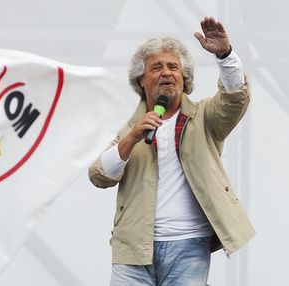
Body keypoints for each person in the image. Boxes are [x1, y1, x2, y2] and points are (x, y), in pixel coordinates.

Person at [88, 16, 255, 286]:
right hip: (132, 247)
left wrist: (225, 55)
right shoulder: (125, 124)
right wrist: (131, 137)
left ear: (183, 77)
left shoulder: (204, 117)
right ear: (141, 80)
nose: (166, 72)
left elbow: (235, 97)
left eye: (173, 67)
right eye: (156, 67)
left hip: (189, 246)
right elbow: (99, 176)